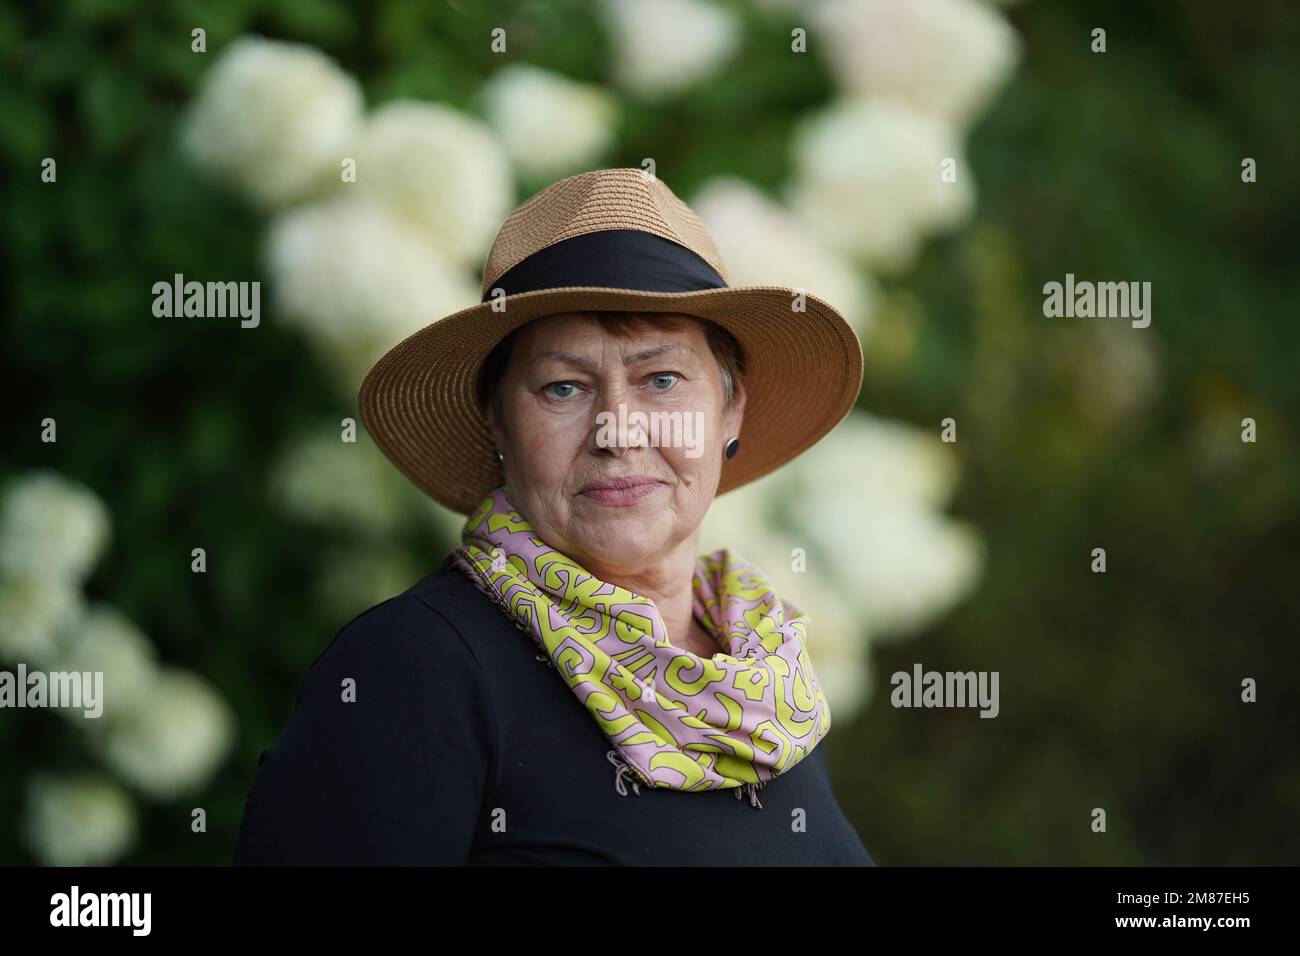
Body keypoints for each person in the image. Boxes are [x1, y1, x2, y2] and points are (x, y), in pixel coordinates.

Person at [233, 167, 874, 865]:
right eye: (563, 387)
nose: (617, 430)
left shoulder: (764, 680)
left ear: (730, 410)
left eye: (661, 379)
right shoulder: (416, 671)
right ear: (499, 424)